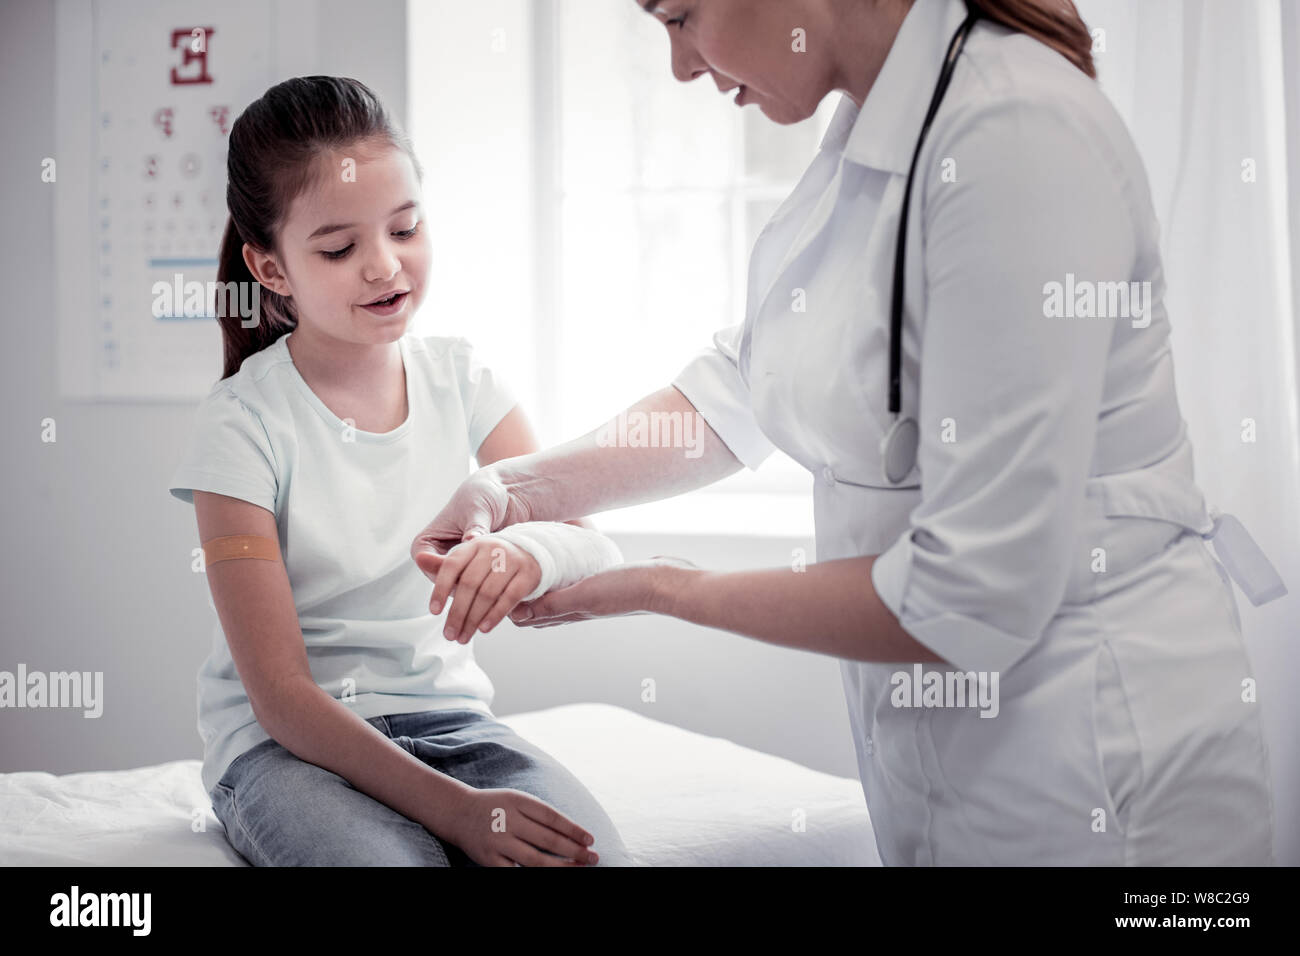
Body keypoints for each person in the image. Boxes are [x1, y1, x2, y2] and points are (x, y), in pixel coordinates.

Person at [414, 0, 1282, 865]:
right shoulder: (878, 123)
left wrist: (663, 588)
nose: (677, 65)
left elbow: (969, 593)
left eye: (680, 16)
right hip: (960, 759)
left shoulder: (1014, 137)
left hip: (1101, 763)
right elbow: (756, 383)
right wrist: (517, 487)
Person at [169, 76, 633, 866]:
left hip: (454, 726)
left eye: (406, 228)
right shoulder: (239, 426)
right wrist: (457, 814)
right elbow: (280, 697)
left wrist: (530, 552)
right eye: (340, 248)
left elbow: (592, 546)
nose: (386, 267)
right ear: (270, 267)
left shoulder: (464, 380)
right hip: (287, 751)